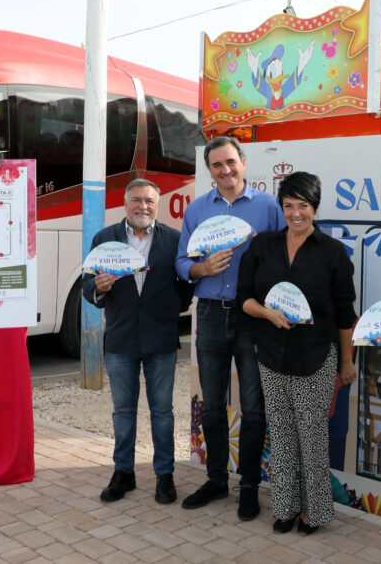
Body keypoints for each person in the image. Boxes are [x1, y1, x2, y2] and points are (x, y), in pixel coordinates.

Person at [237, 171, 357, 536]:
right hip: (271, 356)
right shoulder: (263, 246)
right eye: (288, 206)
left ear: (315, 207)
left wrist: (346, 361)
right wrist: (267, 314)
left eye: (302, 205)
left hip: (316, 357)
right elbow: (244, 298)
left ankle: (314, 512)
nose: (295, 213)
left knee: (312, 437)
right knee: (281, 434)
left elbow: (345, 314)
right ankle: (285, 507)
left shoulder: (333, 253)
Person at [176, 136, 286, 520]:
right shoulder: (197, 209)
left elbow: (284, 255)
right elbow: (181, 262)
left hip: (251, 316)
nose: (225, 170)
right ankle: (216, 479)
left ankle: (249, 486)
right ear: (210, 171)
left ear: (243, 162)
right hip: (208, 313)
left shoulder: (268, 207)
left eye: (230, 162)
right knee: (212, 404)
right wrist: (201, 268)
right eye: (217, 165)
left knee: (254, 406)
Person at [81, 179, 192, 505]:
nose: (143, 206)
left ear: (157, 205)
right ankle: (123, 473)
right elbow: (87, 284)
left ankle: (165, 475)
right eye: (137, 200)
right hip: (121, 338)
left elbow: (186, 282)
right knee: (123, 411)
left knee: (163, 411)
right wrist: (98, 287)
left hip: (161, 338)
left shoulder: (173, 239)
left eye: (149, 201)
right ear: (125, 203)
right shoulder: (105, 239)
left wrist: (172, 307)